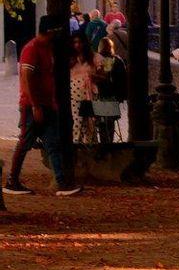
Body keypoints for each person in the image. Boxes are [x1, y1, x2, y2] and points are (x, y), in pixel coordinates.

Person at [5, 16, 81, 196]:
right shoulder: (32, 49)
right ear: (50, 31)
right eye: (56, 32)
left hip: (47, 103)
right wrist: (35, 105)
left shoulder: (47, 48)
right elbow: (27, 78)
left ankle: (62, 183)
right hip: (34, 105)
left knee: (52, 143)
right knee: (25, 142)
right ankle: (12, 180)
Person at [91, 37, 126, 144]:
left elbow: (105, 78)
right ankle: (108, 143)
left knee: (104, 123)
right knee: (109, 123)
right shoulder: (118, 59)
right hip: (115, 96)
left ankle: (105, 145)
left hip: (105, 95)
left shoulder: (107, 61)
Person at [70, 35, 98, 146]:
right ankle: (77, 145)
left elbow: (106, 71)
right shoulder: (70, 59)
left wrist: (95, 75)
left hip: (89, 93)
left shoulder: (95, 57)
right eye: (75, 42)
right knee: (77, 121)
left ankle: (89, 146)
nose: (77, 45)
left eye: (80, 42)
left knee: (90, 123)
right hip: (74, 92)